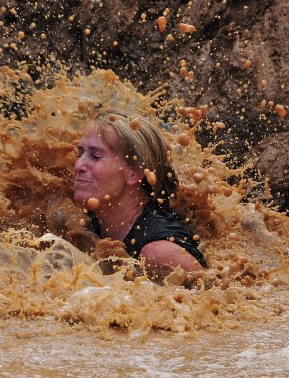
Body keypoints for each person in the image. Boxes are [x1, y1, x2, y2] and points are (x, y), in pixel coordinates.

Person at [73, 108, 206, 278]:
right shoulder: (82, 223)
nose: (78, 166)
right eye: (80, 153)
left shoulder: (159, 252)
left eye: (96, 156)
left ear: (134, 172)